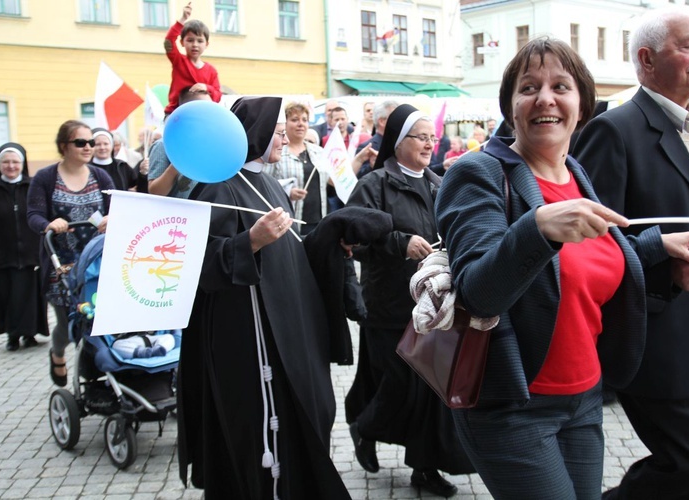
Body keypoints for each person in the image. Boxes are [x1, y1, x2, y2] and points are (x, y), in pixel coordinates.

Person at [434, 36, 689, 500]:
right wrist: (537, 227)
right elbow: (477, 292)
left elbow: (575, 270)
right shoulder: (478, 173)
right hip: (514, 406)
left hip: (585, 399)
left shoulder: (576, 173)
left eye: (561, 86)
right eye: (528, 87)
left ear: (581, 106)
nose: (545, 98)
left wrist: (658, 249)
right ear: (511, 107)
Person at [573, 9, 689, 500]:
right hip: (656, 340)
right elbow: (591, 243)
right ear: (646, 60)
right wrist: (662, 261)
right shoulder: (616, 131)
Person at [177, 96, 350, 499]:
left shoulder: (268, 181)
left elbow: (291, 252)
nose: (283, 138)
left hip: (286, 333)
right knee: (257, 432)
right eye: (274, 131)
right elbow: (197, 260)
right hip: (246, 338)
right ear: (251, 135)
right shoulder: (218, 186)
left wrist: (331, 244)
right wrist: (248, 242)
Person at [345, 103, 474, 498]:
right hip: (388, 304)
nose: (429, 144)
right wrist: (399, 244)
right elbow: (353, 238)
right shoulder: (375, 184)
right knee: (394, 383)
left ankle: (424, 468)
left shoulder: (439, 183)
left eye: (431, 138)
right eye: (421, 137)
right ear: (399, 142)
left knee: (430, 391)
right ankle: (365, 428)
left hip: (432, 306)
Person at [27, 120, 113, 387]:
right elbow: (33, 215)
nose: (88, 147)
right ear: (64, 146)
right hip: (61, 265)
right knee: (67, 323)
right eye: (80, 143)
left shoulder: (100, 176)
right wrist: (48, 224)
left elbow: (118, 207)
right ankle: (58, 351)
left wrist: (113, 218)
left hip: (97, 262)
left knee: (98, 319)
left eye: (90, 142)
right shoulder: (46, 177)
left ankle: (97, 368)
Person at [0, 143, 48, 351]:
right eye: (6, 162)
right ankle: (12, 336)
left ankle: (30, 334)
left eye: (15, 162)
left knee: (30, 297)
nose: (11, 166)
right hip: (1, 254)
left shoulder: (33, 186)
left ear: (22, 164)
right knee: (6, 297)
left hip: (30, 252)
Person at [263, 102, 329, 236]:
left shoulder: (319, 152)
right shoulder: (277, 152)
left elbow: (332, 179)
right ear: (285, 124)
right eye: (294, 120)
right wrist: (287, 192)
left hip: (319, 219)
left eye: (304, 120)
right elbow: (264, 184)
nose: (301, 124)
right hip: (289, 221)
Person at [148, 87, 212, 198]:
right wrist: (177, 164)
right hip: (178, 213)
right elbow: (155, 192)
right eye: (204, 108)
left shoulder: (212, 145)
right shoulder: (163, 145)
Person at [163, 2, 221, 115]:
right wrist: (182, 19)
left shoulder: (211, 71)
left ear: (206, 44)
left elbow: (218, 95)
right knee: (161, 132)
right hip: (176, 112)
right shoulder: (179, 61)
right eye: (190, 40)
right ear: (182, 42)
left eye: (200, 41)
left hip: (201, 114)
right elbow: (168, 42)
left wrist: (206, 87)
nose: (195, 44)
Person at [89, 128, 144, 192]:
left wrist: (143, 174)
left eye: (106, 144)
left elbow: (139, 187)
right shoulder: (86, 168)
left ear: (111, 145)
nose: (102, 147)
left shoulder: (121, 166)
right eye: (97, 144)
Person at [355, 100, 398, 178]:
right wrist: (372, 166)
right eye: (395, 117)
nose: (400, 121)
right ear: (382, 121)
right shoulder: (367, 147)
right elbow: (359, 178)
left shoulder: (401, 143)